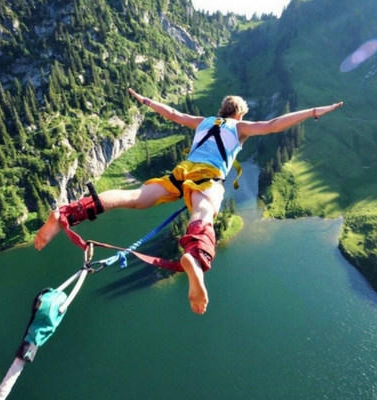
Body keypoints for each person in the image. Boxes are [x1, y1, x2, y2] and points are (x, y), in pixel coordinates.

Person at [35, 88, 343, 315]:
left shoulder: (203, 121)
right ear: (239, 114)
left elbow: (171, 113)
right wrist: (314, 111)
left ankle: (66, 214)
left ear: (221, 109)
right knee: (204, 211)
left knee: (135, 197)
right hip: (208, 177)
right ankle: (193, 257)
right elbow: (275, 124)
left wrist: (145, 100)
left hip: (182, 172)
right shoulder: (240, 127)